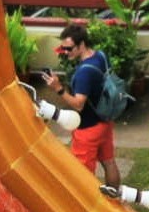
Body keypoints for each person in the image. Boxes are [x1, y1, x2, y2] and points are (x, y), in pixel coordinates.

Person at [41, 22, 123, 182]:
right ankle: (115, 200)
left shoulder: (83, 73)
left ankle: (88, 206)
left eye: (69, 48)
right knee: (109, 162)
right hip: (105, 120)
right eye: (63, 48)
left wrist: (58, 88)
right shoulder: (100, 56)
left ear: (82, 44)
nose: (65, 52)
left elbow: (79, 104)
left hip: (88, 129)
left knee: (82, 174)